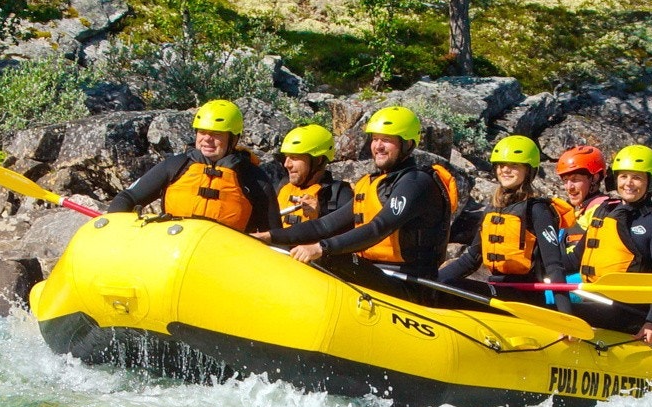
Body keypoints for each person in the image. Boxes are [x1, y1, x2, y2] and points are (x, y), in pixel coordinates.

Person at [276, 105, 459, 303]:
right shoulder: (372, 183)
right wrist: (267, 236)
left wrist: (322, 247)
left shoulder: (416, 183)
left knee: (327, 258)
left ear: (407, 144)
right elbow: (324, 225)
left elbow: (378, 228)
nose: (378, 146)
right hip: (375, 272)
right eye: (374, 139)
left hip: (410, 284)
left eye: (386, 140)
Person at [438, 135, 575, 305]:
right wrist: (432, 281)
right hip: (498, 289)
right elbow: (471, 260)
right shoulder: (493, 209)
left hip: (525, 296)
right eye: (501, 165)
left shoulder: (538, 209)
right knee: (441, 285)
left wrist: (565, 319)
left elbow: (554, 266)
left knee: (450, 286)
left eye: (514, 165)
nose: (505, 170)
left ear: (528, 170)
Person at [107, 99, 279, 233]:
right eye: (202, 132)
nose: (207, 139)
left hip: (225, 261)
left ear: (233, 139)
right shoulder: (175, 165)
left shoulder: (255, 179)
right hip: (175, 249)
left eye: (216, 134)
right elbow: (127, 198)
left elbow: (272, 234)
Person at [579, 144, 652, 344]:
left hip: (629, 313)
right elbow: (573, 258)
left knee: (562, 311)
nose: (628, 183)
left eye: (637, 178)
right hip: (597, 301)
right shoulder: (606, 212)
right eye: (623, 176)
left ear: (650, 182)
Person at [270, 124, 352, 230]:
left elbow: (346, 239)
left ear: (318, 160)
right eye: (286, 157)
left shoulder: (341, 194)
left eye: (294, 157)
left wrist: (320, 216)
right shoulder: (280, 186)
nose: (287, 164)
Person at [555, 145, 617, 275]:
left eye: (575, 180)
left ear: (594, 178)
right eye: (565, 180)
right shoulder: (578, 211)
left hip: (588, 281)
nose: (569, 187)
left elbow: (577, 261)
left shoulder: (604, 211)